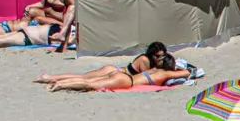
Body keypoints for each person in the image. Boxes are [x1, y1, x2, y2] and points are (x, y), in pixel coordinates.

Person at [44, 52, 189, 92]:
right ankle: (60, 85)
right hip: (126, 81)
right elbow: (186, 73)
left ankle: (58, 81)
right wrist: (177, 70)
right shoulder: (164, 73)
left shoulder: (154, 69)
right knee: (90, 84)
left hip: (121, 74)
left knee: (88, 80)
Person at [35, 42, 167, 85]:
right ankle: (50, 78)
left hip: (116, 71)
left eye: (163, 56)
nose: (161, 58)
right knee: (83, 77)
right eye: (159, 56)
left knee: (84, 77)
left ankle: (51, 79)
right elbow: (145, 76)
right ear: (152, 54)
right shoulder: (145, 60)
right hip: (114, 71)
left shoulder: (149, 60)